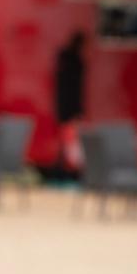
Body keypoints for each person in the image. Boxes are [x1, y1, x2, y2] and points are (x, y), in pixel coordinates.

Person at [53, 31, 87, 176]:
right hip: (71, 107)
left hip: (64, 106)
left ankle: (66, 165)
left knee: (67, 138)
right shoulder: (75, 61)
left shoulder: (64, 58)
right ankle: (69, 166)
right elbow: (76, 87)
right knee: (70, 138)